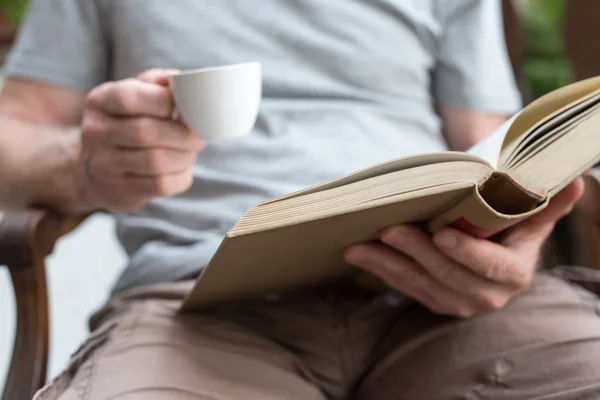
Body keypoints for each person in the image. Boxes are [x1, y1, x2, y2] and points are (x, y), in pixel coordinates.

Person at [1, 0, 600, 399]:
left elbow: (488, 147)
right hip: (198, 303)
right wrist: (85, 162)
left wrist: (512, 240)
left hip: (437, 294)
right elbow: (13, 133)